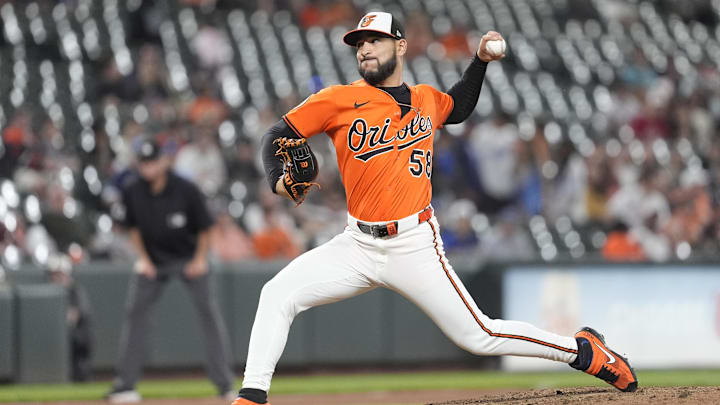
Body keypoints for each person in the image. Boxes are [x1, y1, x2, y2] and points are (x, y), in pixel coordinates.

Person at [232, 12, 637, 405]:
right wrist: (277, 180)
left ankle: (582, 351)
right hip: (356, 244)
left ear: (400, 46)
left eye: (375, 41)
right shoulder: (339, 99)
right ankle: (252, 396)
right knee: (277, 293)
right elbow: (277, 134)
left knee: (480, 335)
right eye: (360, 43)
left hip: (413, 243)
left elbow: (457, 107)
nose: (365, 49)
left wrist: (479, 62)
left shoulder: (425, 99)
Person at [105, 138, 235, 403]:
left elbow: (205, 227)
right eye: (144, 163)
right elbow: (133, 228)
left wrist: (200, 259)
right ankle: (125, 385)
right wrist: (142, 259)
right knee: (135, 314)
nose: (148, 168)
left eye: (153, 162)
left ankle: (225, 385)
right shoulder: (132, 190)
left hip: (188, 256)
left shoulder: (185, 189)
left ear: (164, 161)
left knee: (209, 314)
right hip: (153, 259)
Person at [46, 253, 93, 382]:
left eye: (59, 274)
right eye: (54, 274)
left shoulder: (74, 290)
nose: (56, 277)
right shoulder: (49, 292)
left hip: (77, 339)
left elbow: (75, 316)